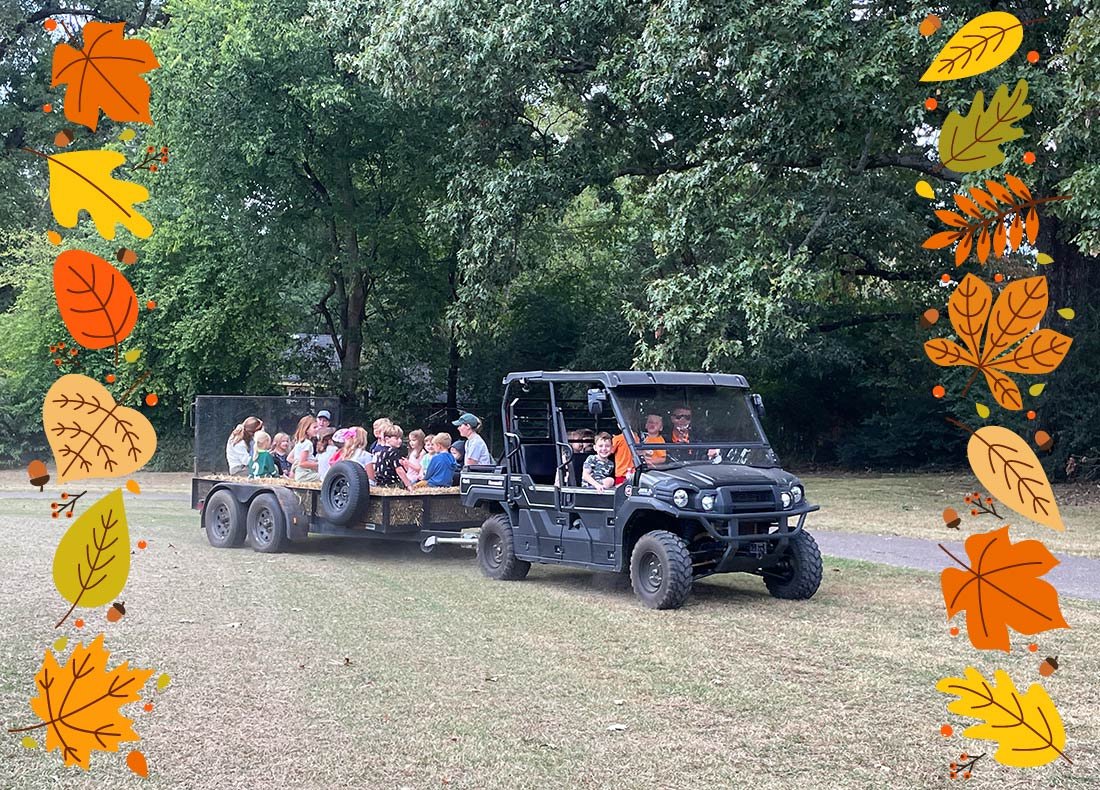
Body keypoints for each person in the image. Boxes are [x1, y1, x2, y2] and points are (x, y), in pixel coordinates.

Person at [289, 415, 320, 482]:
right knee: (324, 476)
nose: (317, 429)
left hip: (299, 473)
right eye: (314, 427)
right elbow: (302, 463)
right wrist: (319, 464)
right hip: (305, 474)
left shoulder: (300, 442)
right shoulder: (307, 443)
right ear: (306, 429)